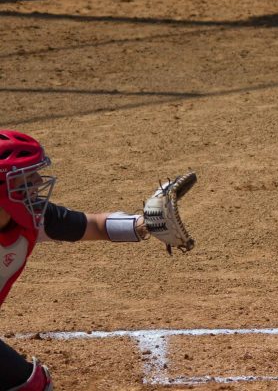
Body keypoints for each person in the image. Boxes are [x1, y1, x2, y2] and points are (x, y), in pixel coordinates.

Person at [0, 130, 195, 390]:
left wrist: (144, 223)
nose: (36, 181)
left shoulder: (33, 217)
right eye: (25, 176)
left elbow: (95, 225)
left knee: (30, 384)